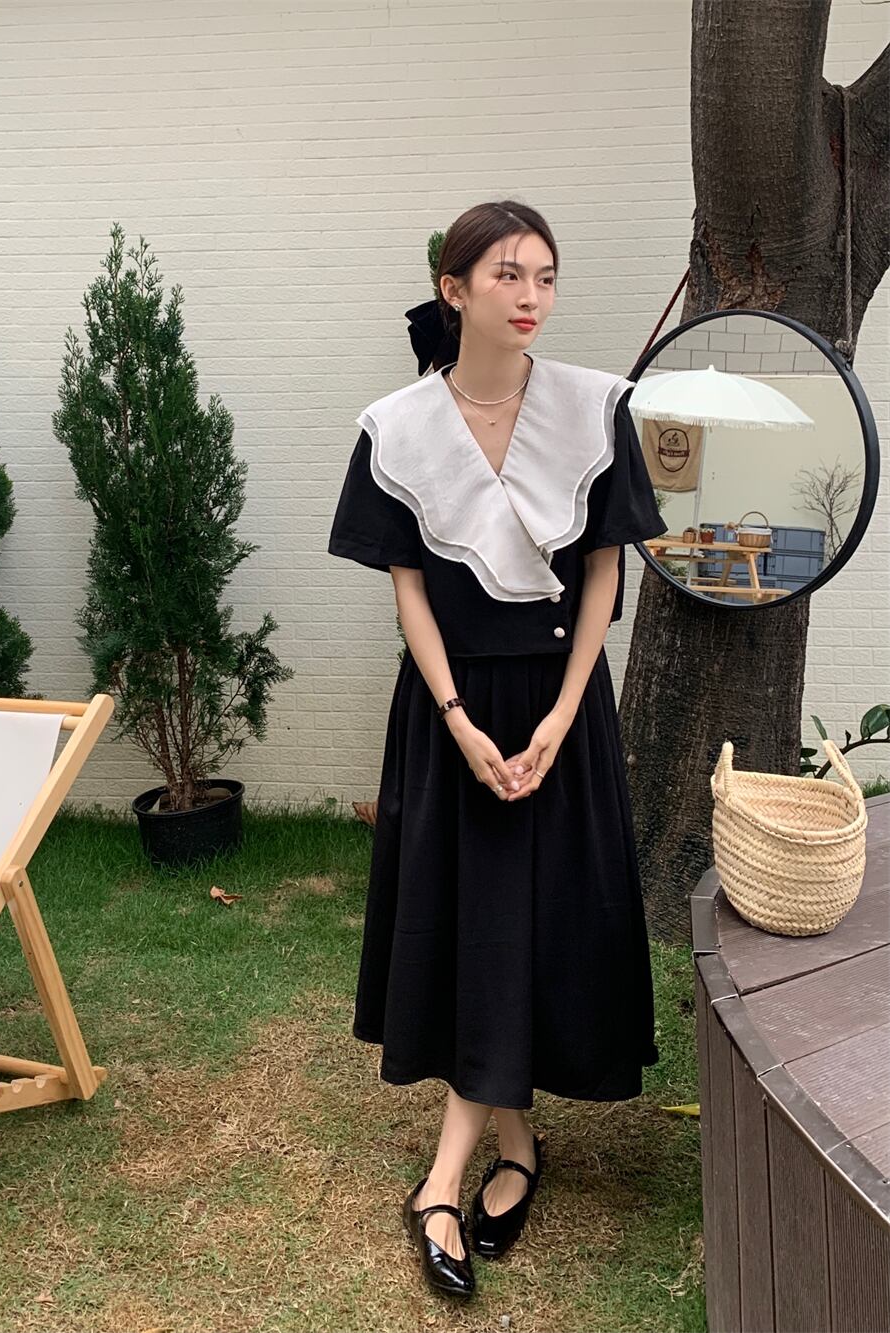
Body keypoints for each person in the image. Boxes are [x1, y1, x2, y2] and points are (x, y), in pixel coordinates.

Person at [327, 200, 668, 1300]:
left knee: (530, 916)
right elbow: (410, 590)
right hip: (450, 711)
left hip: (563, 703)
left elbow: (606, 568)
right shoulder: (396, 426)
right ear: (455, 288)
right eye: (508, 274)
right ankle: (508, 1147)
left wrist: (562, 718)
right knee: (476, 918)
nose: (531, 296)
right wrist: (459, 720)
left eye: (546, 277)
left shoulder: (594, 407)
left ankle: (447, 1176)